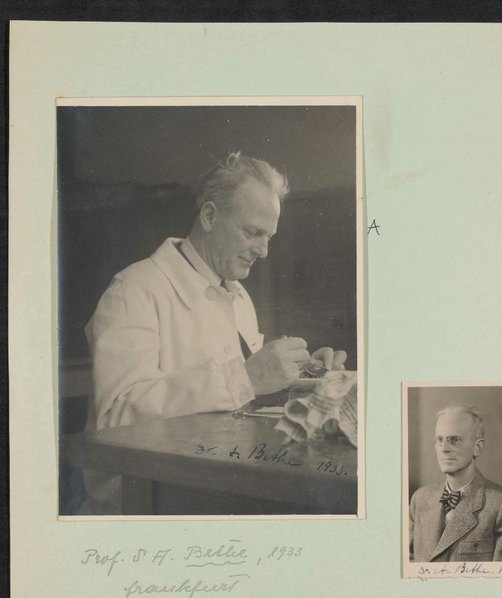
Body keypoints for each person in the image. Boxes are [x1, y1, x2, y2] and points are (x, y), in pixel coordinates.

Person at [81, 152, 346, 512]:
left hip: (220, 486)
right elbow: (114, 421)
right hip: (146, 507)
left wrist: (303, 373)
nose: (264, 251)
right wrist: (247, 378)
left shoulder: (238, 295)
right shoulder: (134, 291)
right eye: (253, 232)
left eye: (269, 236)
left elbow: (244, 393)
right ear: (209, 216)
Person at [409, 405, 502, 562]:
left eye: (454, 440)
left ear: (477, 447)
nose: (444, 448)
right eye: (439, 440)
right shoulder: (419, 499)